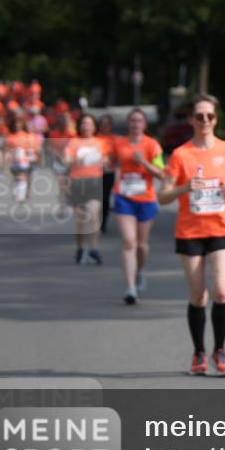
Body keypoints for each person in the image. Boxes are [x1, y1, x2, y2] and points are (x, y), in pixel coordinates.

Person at [158, 94, 225, 377]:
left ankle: (219, 350)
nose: (205, 121)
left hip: (223, 227)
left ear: (216, 118)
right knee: (198, 296)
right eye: (199, 116)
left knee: (221, 290)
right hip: (190, 231)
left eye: (209, 116)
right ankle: (199, 352)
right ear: (190, 119)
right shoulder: (180, 155)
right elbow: (162, 196)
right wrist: (185, 187)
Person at [112, 109, 164, 304]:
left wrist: (142, 162)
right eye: (132, 121)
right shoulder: (119, 143)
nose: (135, 124)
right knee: (128, 241)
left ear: (145, 124)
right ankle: (130, 287)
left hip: (146, 199)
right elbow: (109, 162)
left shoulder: (152, 145)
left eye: (139, 121)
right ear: (128, 124)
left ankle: (140, 270)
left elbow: (160, 173)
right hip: (123, 197)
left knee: (141, 245)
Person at [63, 114, 113, 264]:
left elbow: (107, 161)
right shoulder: (74, 142)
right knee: (81, 219)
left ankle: (93, 248)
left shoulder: (100, 143)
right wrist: (77, 160)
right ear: (80, 126)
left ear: (94, 127)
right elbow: (66, 160)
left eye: (89, 124)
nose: (86, 126)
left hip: (95, 182)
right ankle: (80, 247)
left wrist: (104, 162)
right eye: (84, 123)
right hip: (78, 183)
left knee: (93, 215)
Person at [3, 115, 41, 204]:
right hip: (15, 162)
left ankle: (22, 194)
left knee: (25, 178)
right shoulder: (10, 137)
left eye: (19, 124)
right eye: (16, 124)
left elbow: (36, 149)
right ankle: (19, 193)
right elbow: (6, 150)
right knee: (18, 178)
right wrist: (5, 162)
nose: (17, 126)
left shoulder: (29, 136)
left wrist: (36, 157)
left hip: (26, 162)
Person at [97, 114, 118, 234]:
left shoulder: (114, 139)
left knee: (105, 198)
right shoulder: (95, 138)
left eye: (107, 124)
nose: (105, 126)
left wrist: (111, 160)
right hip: (94, 173)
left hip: (109, 172)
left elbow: (118, 156)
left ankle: (103, 223)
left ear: (110, 126)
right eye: (102, 124)